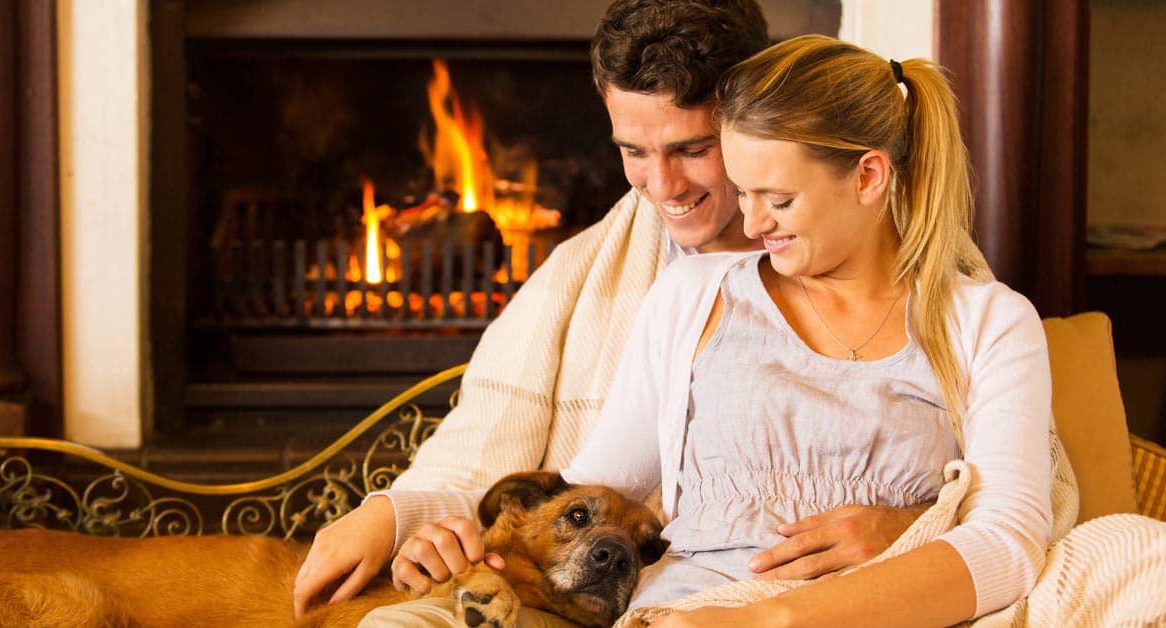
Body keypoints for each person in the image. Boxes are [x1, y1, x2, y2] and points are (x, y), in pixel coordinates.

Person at [294, 3, 927, 623]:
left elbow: (990, 490)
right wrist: (394, 515)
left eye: (693, 148)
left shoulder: (915, 285)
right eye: (634, 152)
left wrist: (907, 525)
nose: (664, 185)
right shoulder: (605, 279)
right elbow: (527, 473)